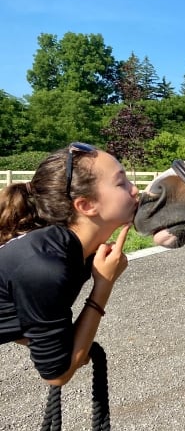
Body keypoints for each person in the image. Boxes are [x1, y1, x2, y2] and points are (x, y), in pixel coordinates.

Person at [0, 143, 138, 386]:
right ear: (86, 205)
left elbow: (28, 317)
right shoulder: (45, 266)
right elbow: (57, 374)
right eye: (121, 183)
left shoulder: (72, 251)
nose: (135, 190)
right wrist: (103, 285)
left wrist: (72, 345)